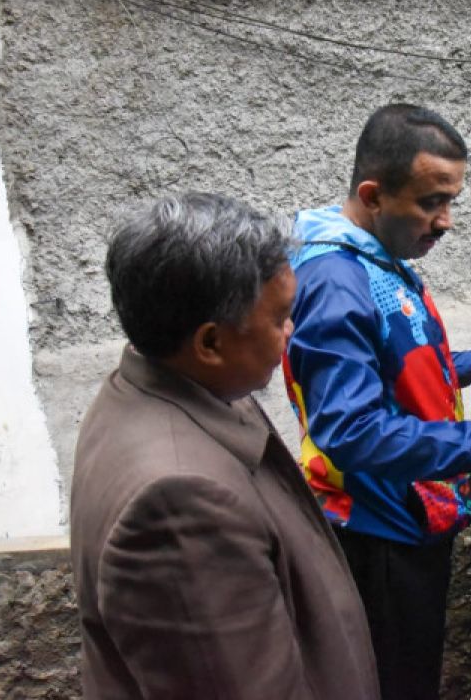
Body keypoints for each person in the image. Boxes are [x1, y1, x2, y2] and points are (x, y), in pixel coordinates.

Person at [284, 103, 471, 699]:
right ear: (372, 195)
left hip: (413, 518)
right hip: (378, 534)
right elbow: (352, 430)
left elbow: (405, 372)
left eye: (450, 202)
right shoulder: (335, 280)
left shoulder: (379, 263)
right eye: (429, 203)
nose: (445, 221)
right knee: (396, 683)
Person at [71, 192, 379, 699]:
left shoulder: (165, 387)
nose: (291, 331)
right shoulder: (178, 501)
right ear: (209, 343)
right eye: (280, 316)